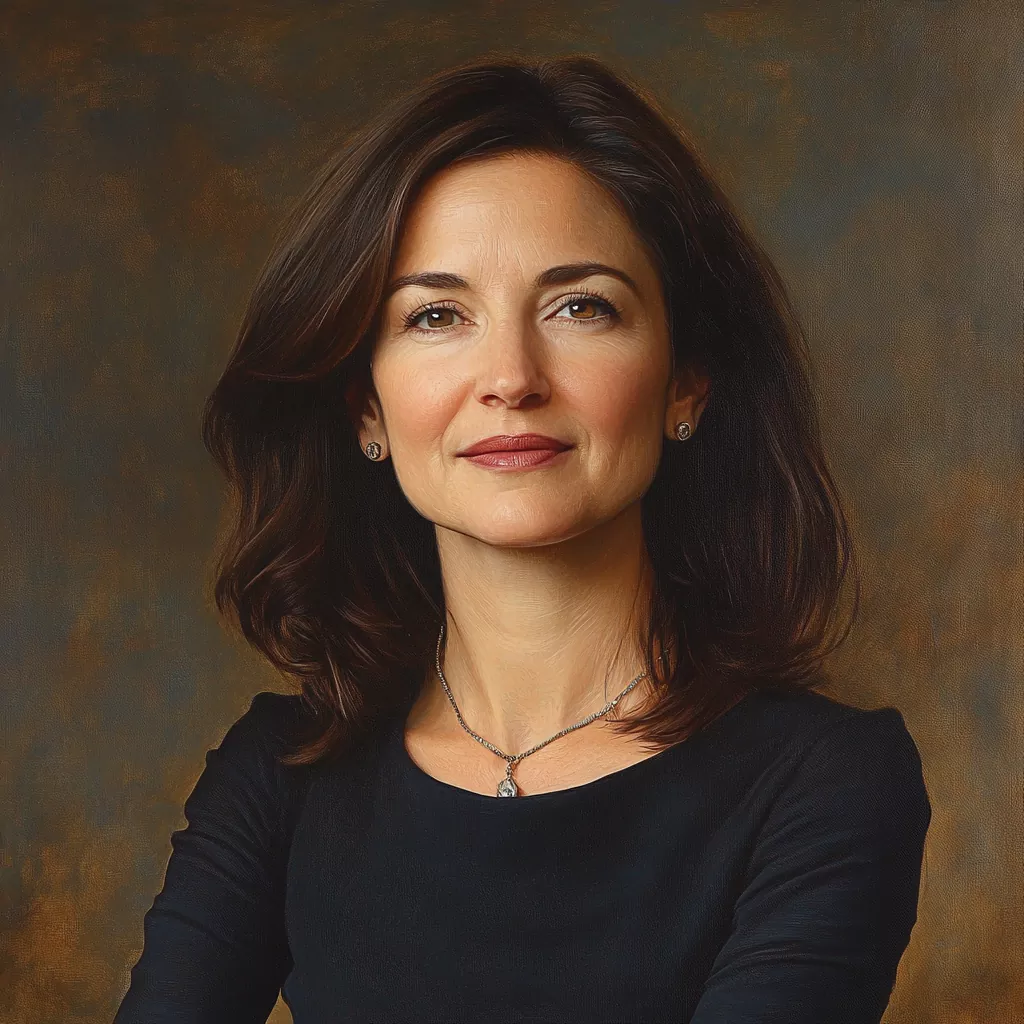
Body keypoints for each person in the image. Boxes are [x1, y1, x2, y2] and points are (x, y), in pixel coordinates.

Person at [114, 54, 931, 1023]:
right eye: (436, 315)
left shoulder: (825, 784)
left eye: (579, 306)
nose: (509, 375)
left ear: (686, 379)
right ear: (366, 407)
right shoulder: (278, 778)